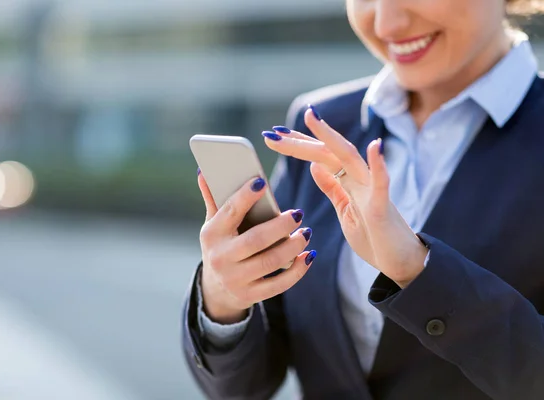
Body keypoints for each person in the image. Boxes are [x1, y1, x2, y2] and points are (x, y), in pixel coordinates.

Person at [182, 0, 544, 398]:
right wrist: (223, 302)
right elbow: (245, 387)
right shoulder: (322, 124)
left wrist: (417, 270)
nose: (386, 22)